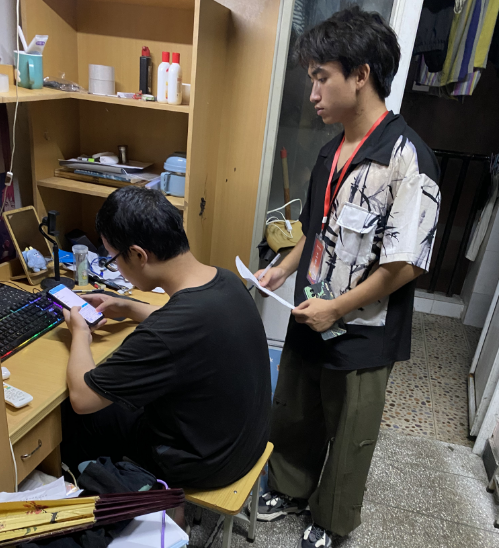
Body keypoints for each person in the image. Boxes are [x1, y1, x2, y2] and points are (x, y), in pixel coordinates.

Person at [254, 7, 441, 548]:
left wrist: (337, 308)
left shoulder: (409, 161)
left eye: (321, 78)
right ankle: (289, 489)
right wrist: (282, 269)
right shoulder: (331, 152)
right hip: (310, 310)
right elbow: (316, 229)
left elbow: (405, 265)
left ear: (361, 75)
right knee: (296, 409)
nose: (313, 93)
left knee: (350, 429)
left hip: (363, 329)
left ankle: (332, 520)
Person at [61, 186, 271, 493]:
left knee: (74, 414)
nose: (116, 267)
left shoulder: (164, 333)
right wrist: (129, 307)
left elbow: (82, 398)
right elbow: (188, 327)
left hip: (202, 465)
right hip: (245, 444)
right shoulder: (225, 281)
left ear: (138, 255)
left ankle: (117, 498)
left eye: (113, 259)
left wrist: (80, 333)